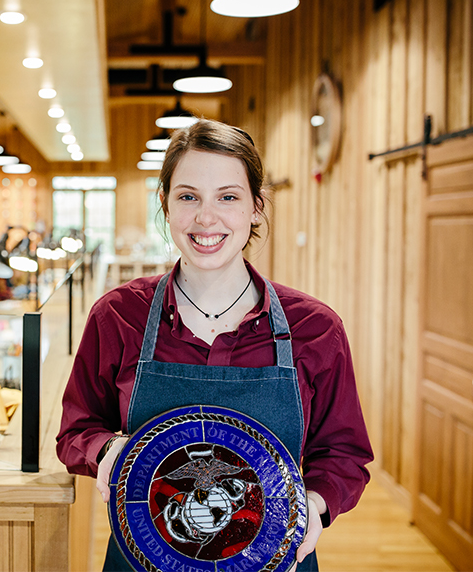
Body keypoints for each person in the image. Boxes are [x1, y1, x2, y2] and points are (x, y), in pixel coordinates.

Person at [56, 119, 373, 572]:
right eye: (189, 197)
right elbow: (76, 429)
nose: (207, 218)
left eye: (228, 197)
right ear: (165, 205)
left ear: (256, 207)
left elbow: (343, 454)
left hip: (274, 559)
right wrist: (107, 452)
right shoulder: (118, 316)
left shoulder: (315, 329)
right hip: (143, 557)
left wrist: (315, 509)